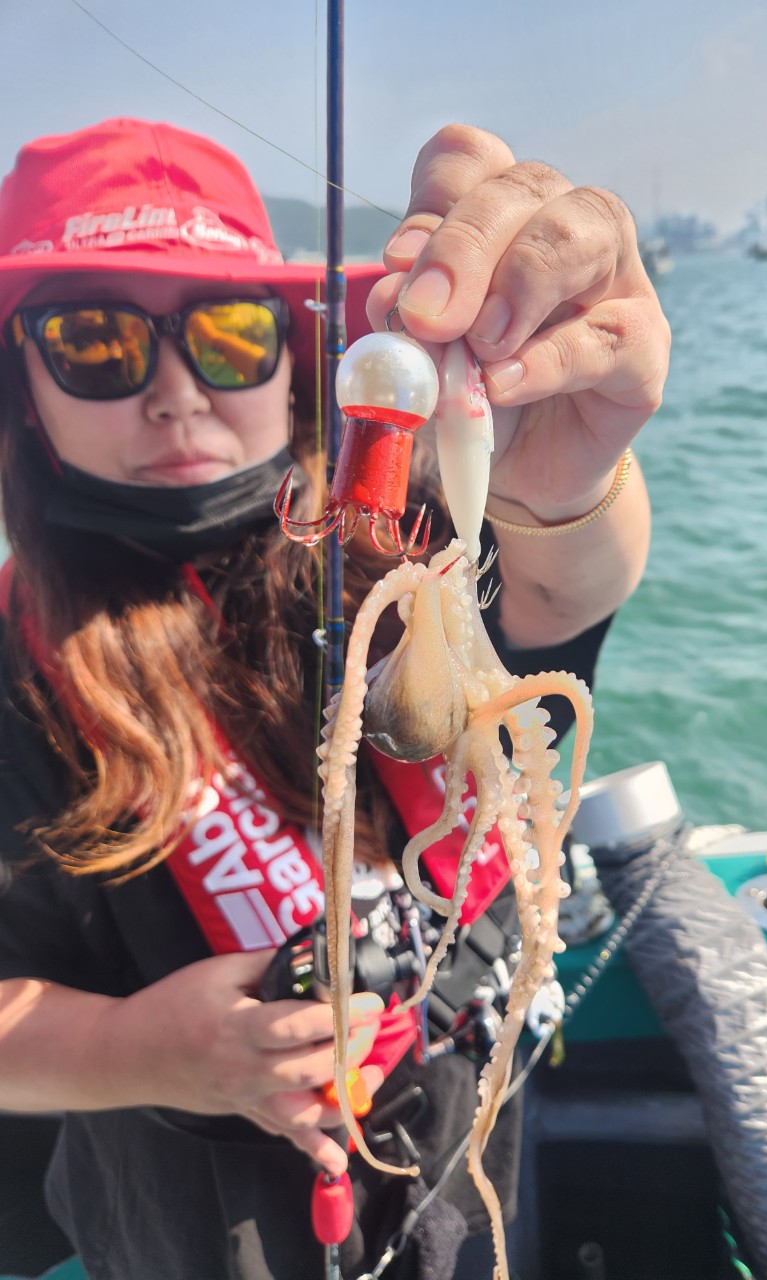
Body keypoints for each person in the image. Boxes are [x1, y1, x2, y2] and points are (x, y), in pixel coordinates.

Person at [0, 116, 669, 1280]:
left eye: (229, 333)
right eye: (95, 341)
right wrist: (134, 1047)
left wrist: (568, 482)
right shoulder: (20, 677)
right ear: (22, 385)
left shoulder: (398, 537)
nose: (175, 395)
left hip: (464, 1144)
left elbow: (558, 588)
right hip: (193, 1221)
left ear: (296, 356)